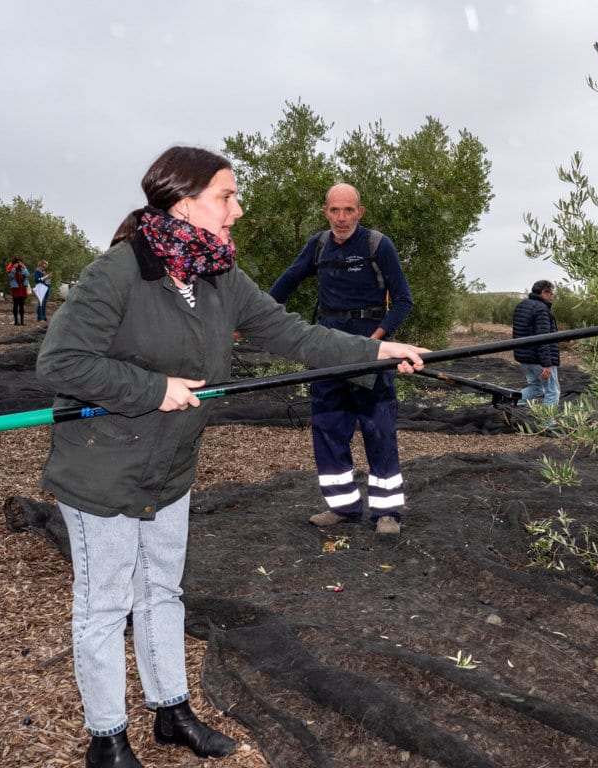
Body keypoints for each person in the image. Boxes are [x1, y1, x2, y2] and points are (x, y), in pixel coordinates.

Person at [36, 147, 426, 768]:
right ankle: (107, 740)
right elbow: (60, 362)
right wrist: (154, 388)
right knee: (106, 603)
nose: (238, 210)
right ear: (184, 203)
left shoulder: (219, 277)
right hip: (101, 470)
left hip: (171, 469)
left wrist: (374, 353)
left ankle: (172, 713)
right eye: (227, 196)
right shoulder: (117, 273)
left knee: (163, 589)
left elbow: (296, 335)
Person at [268, 184, 414, 535]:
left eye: (349, 210)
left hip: (370, 348)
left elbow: (404, 302)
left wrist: (374, 343)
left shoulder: (378, 245)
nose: (342, 218)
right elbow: (287, 281)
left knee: (378, 428)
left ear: (360, 212)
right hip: (328, 347)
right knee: (328, 427)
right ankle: (343, 507)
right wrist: (255, 316)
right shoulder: (317, 245)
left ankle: (387, 513)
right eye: (335, 210)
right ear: (325, 212)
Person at [512, 280, 560, 409]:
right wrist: (546, 364)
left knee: (536, 387)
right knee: (552, 391)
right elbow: (542, 338)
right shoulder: (541, 309)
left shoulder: (521, 305)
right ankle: (548, 426)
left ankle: (510, 404)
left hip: (524, 357)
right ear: (544, 292)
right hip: (538, 359)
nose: (552, 297)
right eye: (551, 293)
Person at [7, 256, 30, 325]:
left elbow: (28, 275)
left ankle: (22, 321)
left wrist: (23, 268)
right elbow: (10, 277)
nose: (19, 263)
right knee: (16, 305)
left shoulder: (23, 267)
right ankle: (16, 321)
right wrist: (14, 268)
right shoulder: (11, 268)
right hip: (15, 288)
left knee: (22, 305)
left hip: (22, 288)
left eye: (20, 262)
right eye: (18, 262)